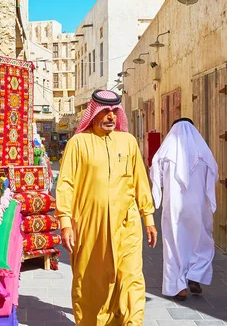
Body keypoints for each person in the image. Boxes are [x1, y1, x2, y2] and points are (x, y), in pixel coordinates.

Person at [56, 89, 158, 326]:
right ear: (94, 113)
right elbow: (66, 185)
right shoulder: (78, 143)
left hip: (126, 226)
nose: (111, 116)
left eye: (114, 111)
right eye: (105, 111)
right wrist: (65, 223)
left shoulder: (129, 142)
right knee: (92, 283)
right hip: (91, 226)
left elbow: (140, 180)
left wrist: (149, 218)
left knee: (131, 279)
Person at [149, 118, 218, 301]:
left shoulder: (166, 151)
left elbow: (155, 172)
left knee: (174, 244)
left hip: (174, 207)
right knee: (201, 241)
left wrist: (157, 196)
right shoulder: (203, 151)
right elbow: (214, 173)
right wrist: (210, 198)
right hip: (198, 207)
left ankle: (179, 287)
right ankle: (195, 274)